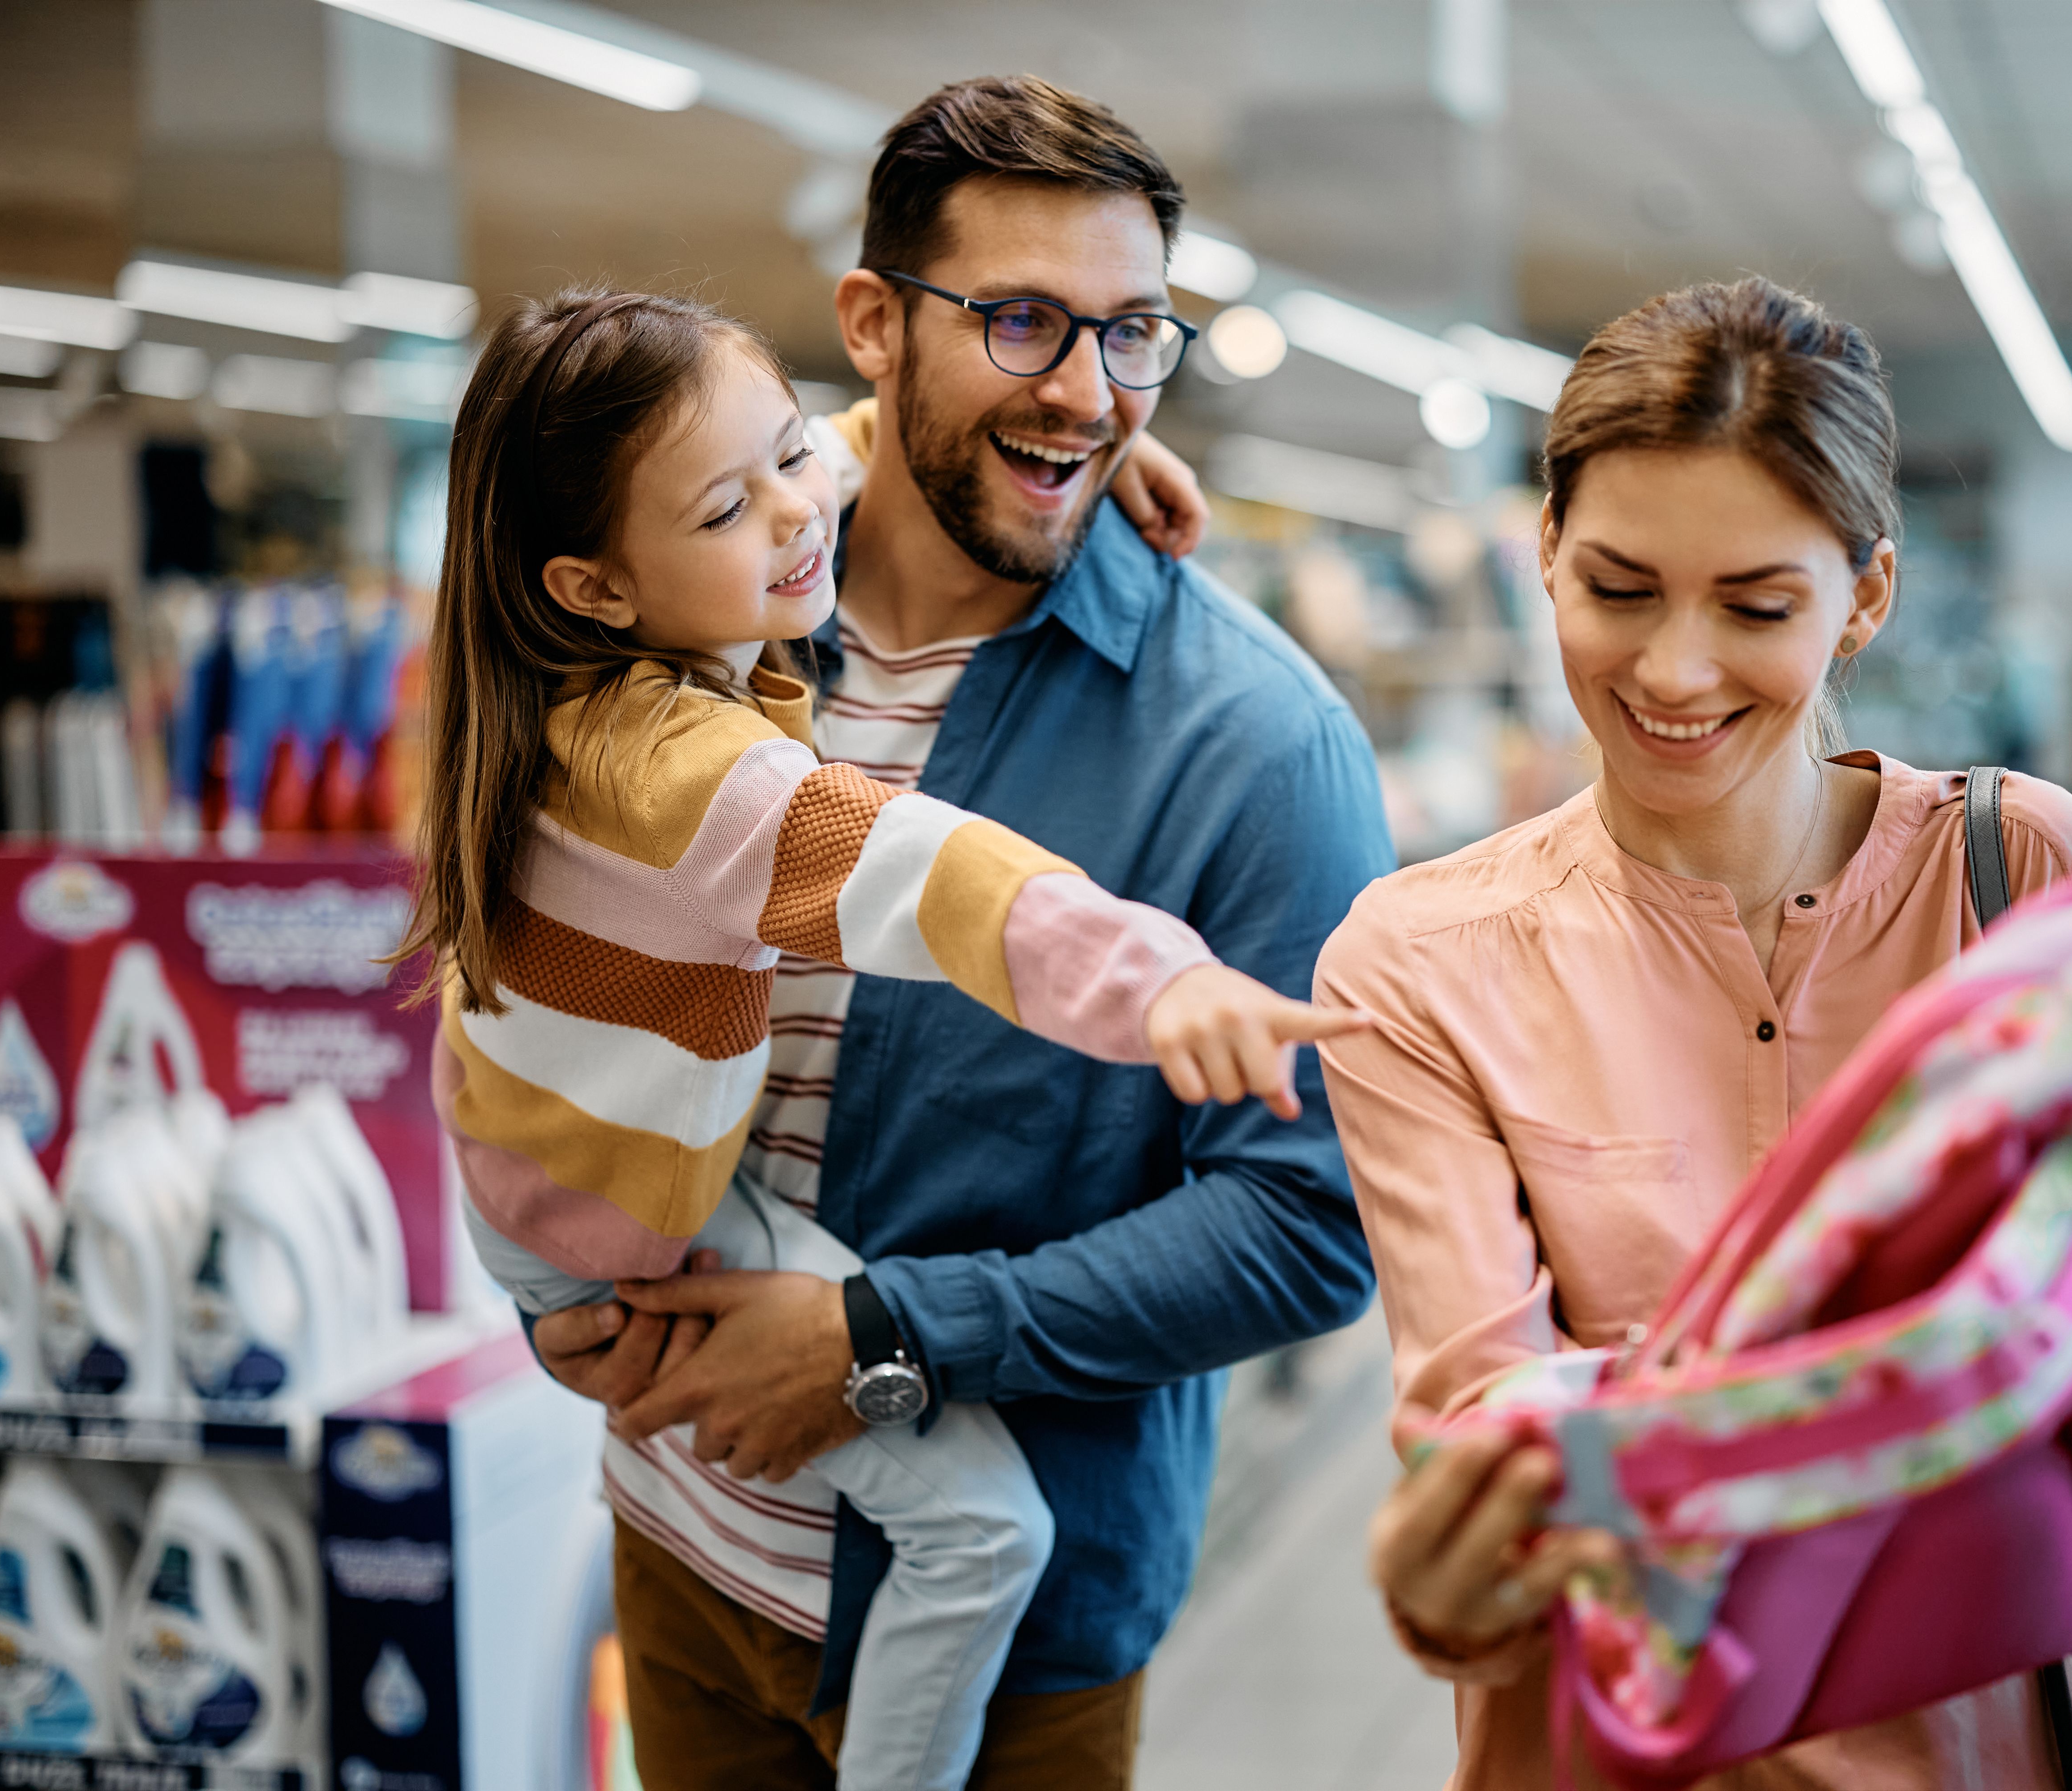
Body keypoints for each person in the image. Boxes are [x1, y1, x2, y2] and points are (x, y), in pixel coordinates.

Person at [527, 76, 1394, 1791]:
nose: (1085, 392)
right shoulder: (702, 629)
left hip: (1009, 1638)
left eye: (1132, 335)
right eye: (1019, 320)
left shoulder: (1253, 742)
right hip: (678, 1544)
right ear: (873, 322)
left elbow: (1311, 1227)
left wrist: (884, 1344)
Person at [1319, 277, 2072, 1790]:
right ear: (1546, 554)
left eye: (1759, 608)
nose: (1676, 671)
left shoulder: (2016, 878)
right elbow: (1489, 1479)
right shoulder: (1421, 964)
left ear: (1866, 596)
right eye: (1618, 590)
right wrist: (1956, 1383)